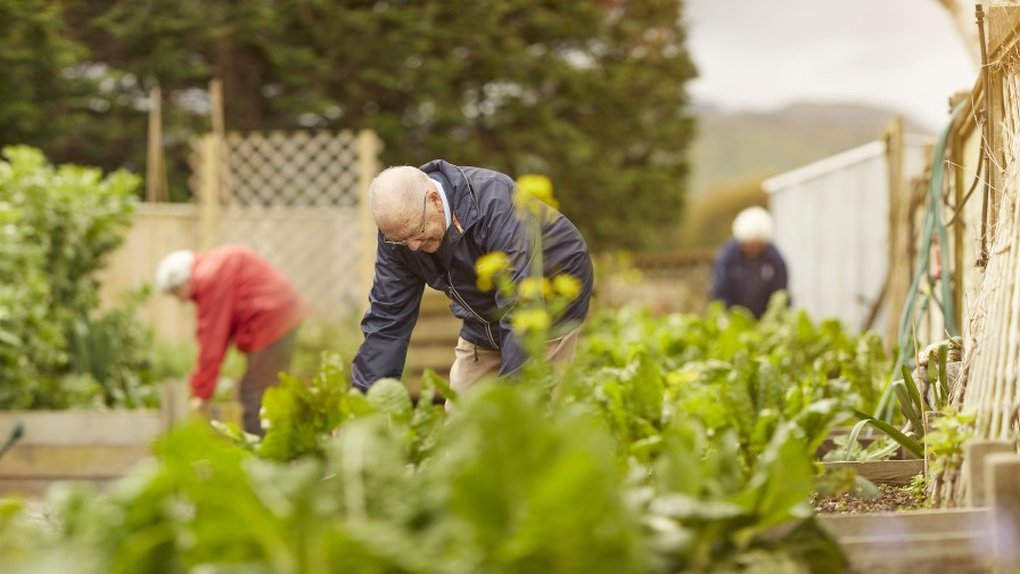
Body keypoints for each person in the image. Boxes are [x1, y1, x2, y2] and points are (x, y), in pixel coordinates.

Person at [351, 160, 594, 404]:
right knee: (462, 423)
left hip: (547, 298)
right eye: (401, 240)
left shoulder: (495, 203)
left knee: (530, 409)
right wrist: (363, 408)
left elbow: (521, 305)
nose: (412, 247)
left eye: (417, 231)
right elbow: (387, 319)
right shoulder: (399, 234)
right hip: (481, 316)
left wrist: (510, 403)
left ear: (434, 199)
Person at [155, 245, 308, 435]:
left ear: (182, 282)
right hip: (283, 317)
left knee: (255, 394)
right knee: (271, 390)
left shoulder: (209, 278)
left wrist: (201, 393)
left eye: (176, 294)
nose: (181, 301)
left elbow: (212, 341)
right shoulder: (214, 267)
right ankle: (285, 446)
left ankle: (262, 456)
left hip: (270, 322)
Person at [711, 206, 789, 319]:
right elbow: (721, 292)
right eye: (749, 244)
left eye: (757, 244)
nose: (753, 248)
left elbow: (781, 292)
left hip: (766, 320)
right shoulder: (727, 258)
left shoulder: (774, 259)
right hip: (734, 319)